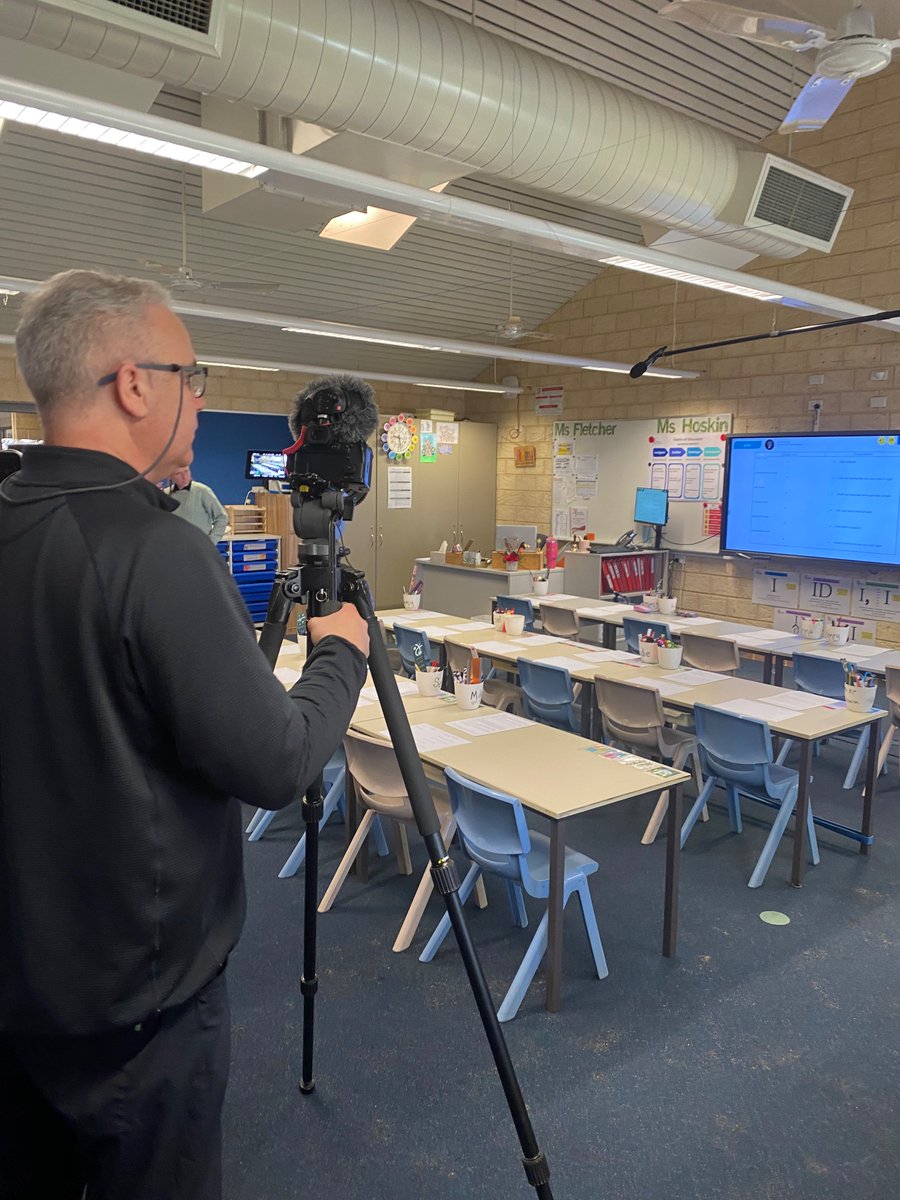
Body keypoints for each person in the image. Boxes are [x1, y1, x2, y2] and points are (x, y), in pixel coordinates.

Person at [0, 269, 370, 1200]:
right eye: (190, 375)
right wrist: (342, 655)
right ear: (134, 384)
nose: (198, 399)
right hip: (140, 1019)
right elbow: (278, 762)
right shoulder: (157, 552)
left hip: (22, 993)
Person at [167, 463, 228, 541]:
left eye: (186, 471)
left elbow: (222, 517)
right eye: (178, 473)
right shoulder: (166, 494)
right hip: (175, 545)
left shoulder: (202, 491)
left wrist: (211, 541)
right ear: (170, 476)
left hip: (199, 545)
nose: (184, 476)